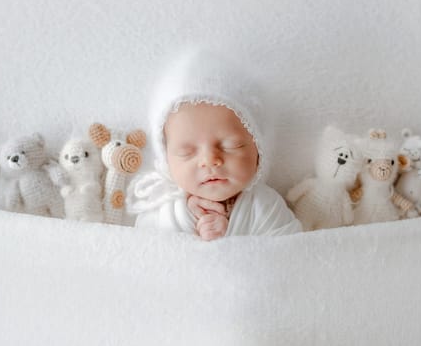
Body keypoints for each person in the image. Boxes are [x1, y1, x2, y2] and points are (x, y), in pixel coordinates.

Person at [127, 49, 302, 240]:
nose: (210, 160)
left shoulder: (265, 207)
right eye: (187, 152)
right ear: (166, 159)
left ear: (259, 149)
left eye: (231, 146)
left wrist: (228, 241)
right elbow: (146, 257)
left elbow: (291, 256)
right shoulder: (163, 212)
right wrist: (188, 220)